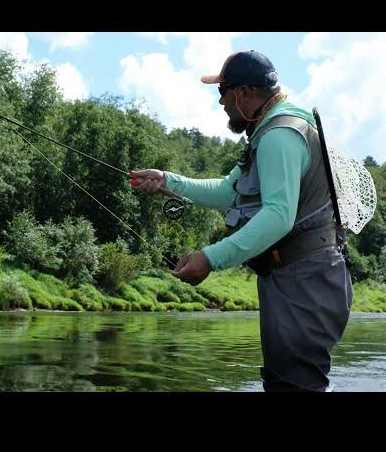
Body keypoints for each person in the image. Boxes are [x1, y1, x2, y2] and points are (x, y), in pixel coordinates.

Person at [131, 50, 353, 392]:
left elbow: (279, 216)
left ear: (243, 93)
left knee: (294, 385)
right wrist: (167, 181)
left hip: (306, 283)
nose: (221, 102)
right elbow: (226, 191)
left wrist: (210, 258)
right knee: (285, 382)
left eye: (223, 92)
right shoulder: (269, 130)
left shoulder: (280, 135)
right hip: (299, 280)